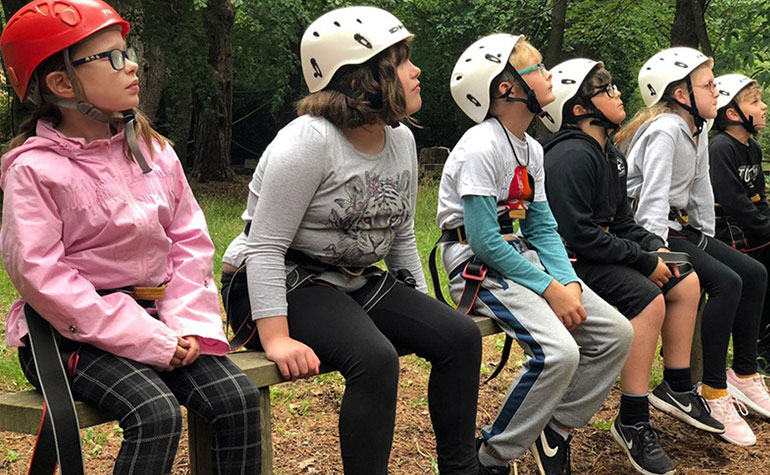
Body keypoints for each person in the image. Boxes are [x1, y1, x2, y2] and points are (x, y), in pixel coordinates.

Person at [0, 0, 260, 473]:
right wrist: (149, 339)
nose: (133, 64)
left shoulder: (155, 151)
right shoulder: (34, 171)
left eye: (129, 51)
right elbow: (45, 279)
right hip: (69, 336)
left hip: (162, 316)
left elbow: (190, 240)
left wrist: (183, 322)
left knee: (235, 399)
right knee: (154, 412)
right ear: (61, 84)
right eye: (113, 57)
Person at [220, 6, 482, 475]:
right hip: (278, 280)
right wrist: (276, 338)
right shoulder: (308, 142)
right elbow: (264, 247)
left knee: (458, 336)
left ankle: (461, 469)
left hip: (352, 280)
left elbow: (399, 230)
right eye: (402, 61)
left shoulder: (400, 139)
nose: (416, 71)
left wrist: (421, 307)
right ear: (360, 78)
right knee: (375, 358)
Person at [438, 34, 633, 475]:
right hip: (476, 264)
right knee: (559, 353)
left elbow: (543, 226)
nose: (549, 75)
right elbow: (485, 240)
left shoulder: (531, 147)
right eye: (539, 68)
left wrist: (566, 283)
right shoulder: (480, 146)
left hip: (519, 256)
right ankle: (489, 457)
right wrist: (549, 287)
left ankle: (555, 428)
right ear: (506, 87)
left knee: (616, 334)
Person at [541, 58, 724, 475]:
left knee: (684, 279)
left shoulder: (609, 154)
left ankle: (677, 386)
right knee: (648, 299)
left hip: (596, 254)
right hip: (568, 263)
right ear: (580, 108)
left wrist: (653, 248)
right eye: (605, 90)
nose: (618, 93)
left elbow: (622, 221)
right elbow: (579, 234)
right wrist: (642, 260)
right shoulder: (571, 154)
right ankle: (633, 418)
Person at [616, 47, 769, 446]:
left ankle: (744, 373)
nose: (716, 91)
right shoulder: (666, 129)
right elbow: (649, 198)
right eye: (708, 85)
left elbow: (700, 189)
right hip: (651, 230)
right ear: (681, 94)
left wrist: (711, 238)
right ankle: (713, 391)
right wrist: (654, 251)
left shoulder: (696, 127)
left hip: (680, 226)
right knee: (726, 282)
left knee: (753, 272)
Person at [708, 73, 770, 368]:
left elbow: (759, 199)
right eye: (756, 102)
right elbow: (734, 202)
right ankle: (757, 343)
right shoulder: (720, 148)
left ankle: (763, 340)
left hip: (749, 228)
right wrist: (765, 227)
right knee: (756, 271)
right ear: (732, 113)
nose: (764, 107)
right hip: (726, 233)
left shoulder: (753, 148)